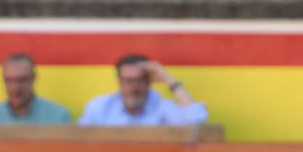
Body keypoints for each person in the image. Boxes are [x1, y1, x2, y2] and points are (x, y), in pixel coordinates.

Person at [78, 54, 207, 126]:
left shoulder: (162, 106)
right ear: (119, 81)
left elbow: (196, 120)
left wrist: (168, 78)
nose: (134, 86)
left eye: (140, 80)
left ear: (149, 81)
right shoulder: (100, 106)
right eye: (128, 80)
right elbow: (79, 139)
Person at [0, 53, 73, 124]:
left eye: (22, 80)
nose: (16, 88)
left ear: (34, 78)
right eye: (10, 80)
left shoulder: (57, 116)